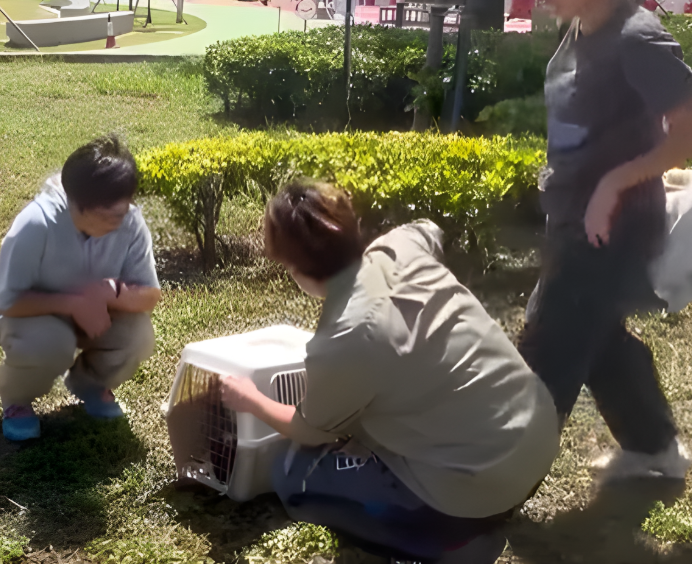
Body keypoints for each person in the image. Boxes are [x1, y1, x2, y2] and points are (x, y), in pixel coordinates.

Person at [220, 181, 560, 563]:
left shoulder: (344, 338)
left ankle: (458, 544)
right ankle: (481, 510)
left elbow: (307, 431)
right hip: (538, 441)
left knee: (291, 474)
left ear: (293, 267)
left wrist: (250, 398)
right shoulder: (399, 246)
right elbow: (429, 229)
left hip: (472, 490)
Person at [511, 0, 692, 480]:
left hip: (612, 225)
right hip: (576, 215)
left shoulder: (636, 37)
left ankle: (495, 477)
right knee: (599, 337)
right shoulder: (582, 24)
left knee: (547, 346)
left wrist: (612, 183)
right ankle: (655, 449)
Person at [0, 136, 161, 441]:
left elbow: (149, 295)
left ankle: (90, 384)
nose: (118, 219)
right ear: (74, 201)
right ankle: (17, 399)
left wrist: (109, 292)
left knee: (138, 336)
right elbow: (7, 300)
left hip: (92, 314)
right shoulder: (36, 223)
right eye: (106, 214)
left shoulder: (129, 222)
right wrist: (74, 303)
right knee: (53, 343)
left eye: (123, 208)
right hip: (28, 314)